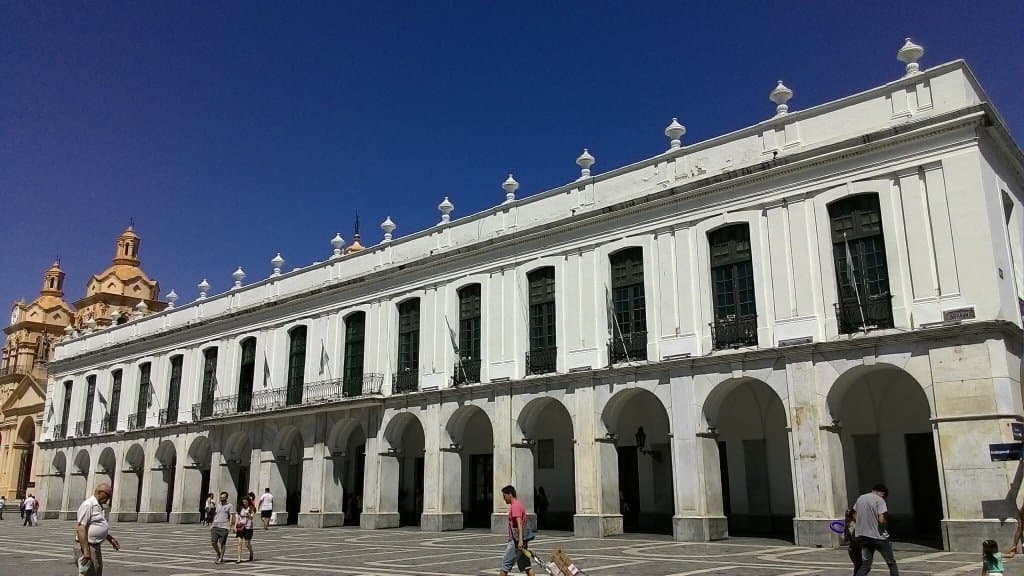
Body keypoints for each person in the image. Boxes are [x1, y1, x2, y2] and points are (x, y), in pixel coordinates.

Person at [75, 483, 121, 576]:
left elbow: (95, 525)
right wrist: (86, 552)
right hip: (87, 547)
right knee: (89, 574)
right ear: (100, 492)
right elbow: (80, 528)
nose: (108, 498)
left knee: (96, 572)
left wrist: (109, 538)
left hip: (94, 546)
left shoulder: (98, 506)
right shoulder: (88, 505)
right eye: (108, 495)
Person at [853, 484, 899, 576]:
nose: (884, 498)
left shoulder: (861, 498)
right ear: (882, 493)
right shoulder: (880, 500)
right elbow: (881, 520)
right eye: (885, 496)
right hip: (879, 537)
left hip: (863, 536)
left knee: (866, 565)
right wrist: (885, 524)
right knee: (891, 563)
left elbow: (854, 515)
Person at [499, 485, 535, 576]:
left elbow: (519, 524)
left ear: (510, 494)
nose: (504, 499)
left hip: (516, 542)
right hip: (520, 541)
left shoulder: (515, 506)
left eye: (504, 496)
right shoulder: (519, 505)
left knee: (505, 565)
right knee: (527, 566)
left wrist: (520, 541)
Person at [210, 491, 235, 564]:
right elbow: (216, 515)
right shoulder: (218, 505)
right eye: (221, 497)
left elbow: (231, 516)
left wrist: (230, 526)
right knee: (213, 542)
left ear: (226, 498)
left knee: (222, 543)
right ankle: (218, 553)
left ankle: (221, 557)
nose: (222, 499)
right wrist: (212, 524)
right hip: (215, 525)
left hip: (224, 527)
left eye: (223, 497)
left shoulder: (230, 505)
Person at [234, 495, 256, 563]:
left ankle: (251, 552)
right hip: (240, 526)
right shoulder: (240, 508)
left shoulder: (252, 508)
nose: (244, 503)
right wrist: (235, 526)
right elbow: (237, 518)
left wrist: (248, 514)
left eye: (245, 502)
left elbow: (252, 518)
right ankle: (239, 559)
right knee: (239, 543)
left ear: (248, 502)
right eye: (243, 502)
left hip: (248, 527)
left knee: (247, 543)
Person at [844, 507, 862, 575]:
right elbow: (850, 539)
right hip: (854, 549)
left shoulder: (858, 523)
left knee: (861, 566)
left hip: (858, 548)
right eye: (856, 514)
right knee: (859, 565)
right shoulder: (850, 525)